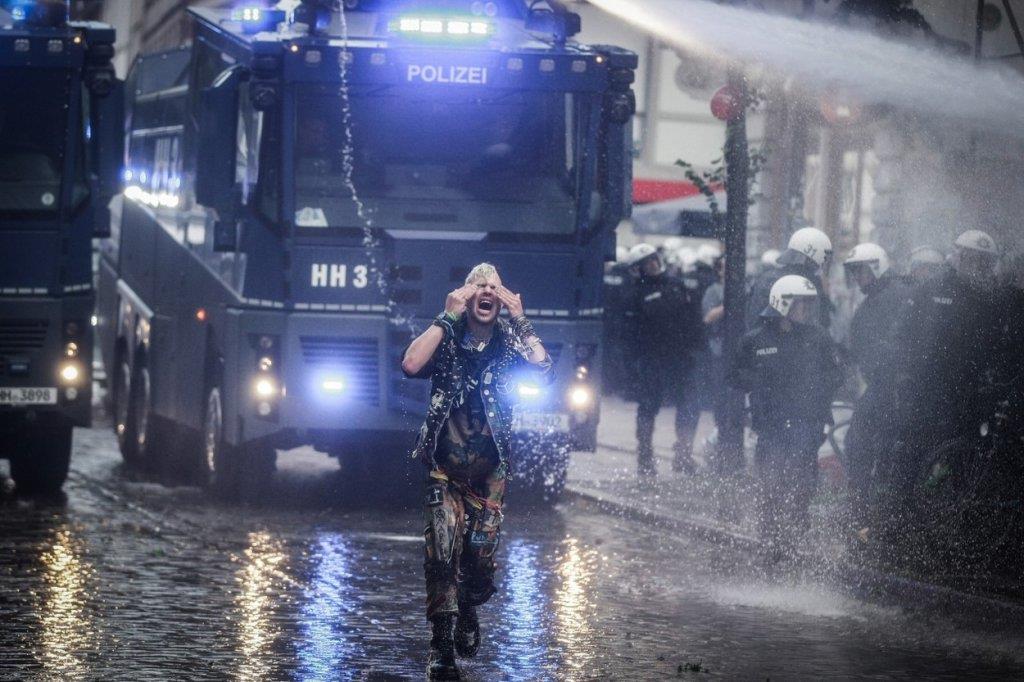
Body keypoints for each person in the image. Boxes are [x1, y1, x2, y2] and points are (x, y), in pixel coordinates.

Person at [401, 263, 552, 681]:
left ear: (500, 300)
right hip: (444, 473)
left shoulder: (508, 345)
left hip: (489, 478)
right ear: (467, 296)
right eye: (478, 286)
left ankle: (468, 605)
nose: (486, 291)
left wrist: (520, 319)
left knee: (480, 565)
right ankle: (442, 648)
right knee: (442, 556)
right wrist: (445, 317)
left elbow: (543, 369)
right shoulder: (446, 340)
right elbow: (411, 364)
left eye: (494, 287)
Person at [729, 275, 843, 560]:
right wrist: (758, 381)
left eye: (808, 305)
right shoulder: (755, 340)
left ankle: (794, 545)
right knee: (770, 487)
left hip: (806, 426)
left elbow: (837, 373)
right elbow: (734, 376)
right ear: (783, 304)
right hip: (771, 427)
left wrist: (818, 393)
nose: (806, 311)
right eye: (800, 305)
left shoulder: (818, 338)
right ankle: (769, 547)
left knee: (801, 488)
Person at [888, 230, 1004, 495]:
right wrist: (906, 376)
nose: (981, 269)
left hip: (969, 395)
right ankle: (899, 517)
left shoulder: (991, 300)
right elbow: (904, 334)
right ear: (960, 258)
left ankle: (953, 520)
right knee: (915, 455)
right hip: (929, 392)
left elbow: (996, 345)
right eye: (976, 261)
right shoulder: (933, 289)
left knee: (964, 462)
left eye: (986, 263)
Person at [840, 243, 909, 529]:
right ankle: (868, 508)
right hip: (886, 384)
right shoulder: (882, 297)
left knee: (858, 441)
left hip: (891, 386)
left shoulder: (891, 297)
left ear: (877, 267)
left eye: (861, 270)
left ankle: (861, 510)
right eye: (854, 271)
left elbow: (894, 343)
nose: (857, 277)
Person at [624, 243, 703, 477]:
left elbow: (692, 319)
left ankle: (684, 454)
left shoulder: (676, 285)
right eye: (647, 262)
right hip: (652, 358)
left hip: (681, 357)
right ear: (638, 268)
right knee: (648, 407)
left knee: (689, 404)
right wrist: (634, 362)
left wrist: (696, 347)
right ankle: (645, 456)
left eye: (654, 259)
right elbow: (630, 331)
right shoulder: (636, 294)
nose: (653, 264)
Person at [746, 227, 833, 331]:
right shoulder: (809, 285)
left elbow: (752, 318)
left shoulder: (766, 279)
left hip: (760, 343)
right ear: (813, 260)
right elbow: (822, 323)